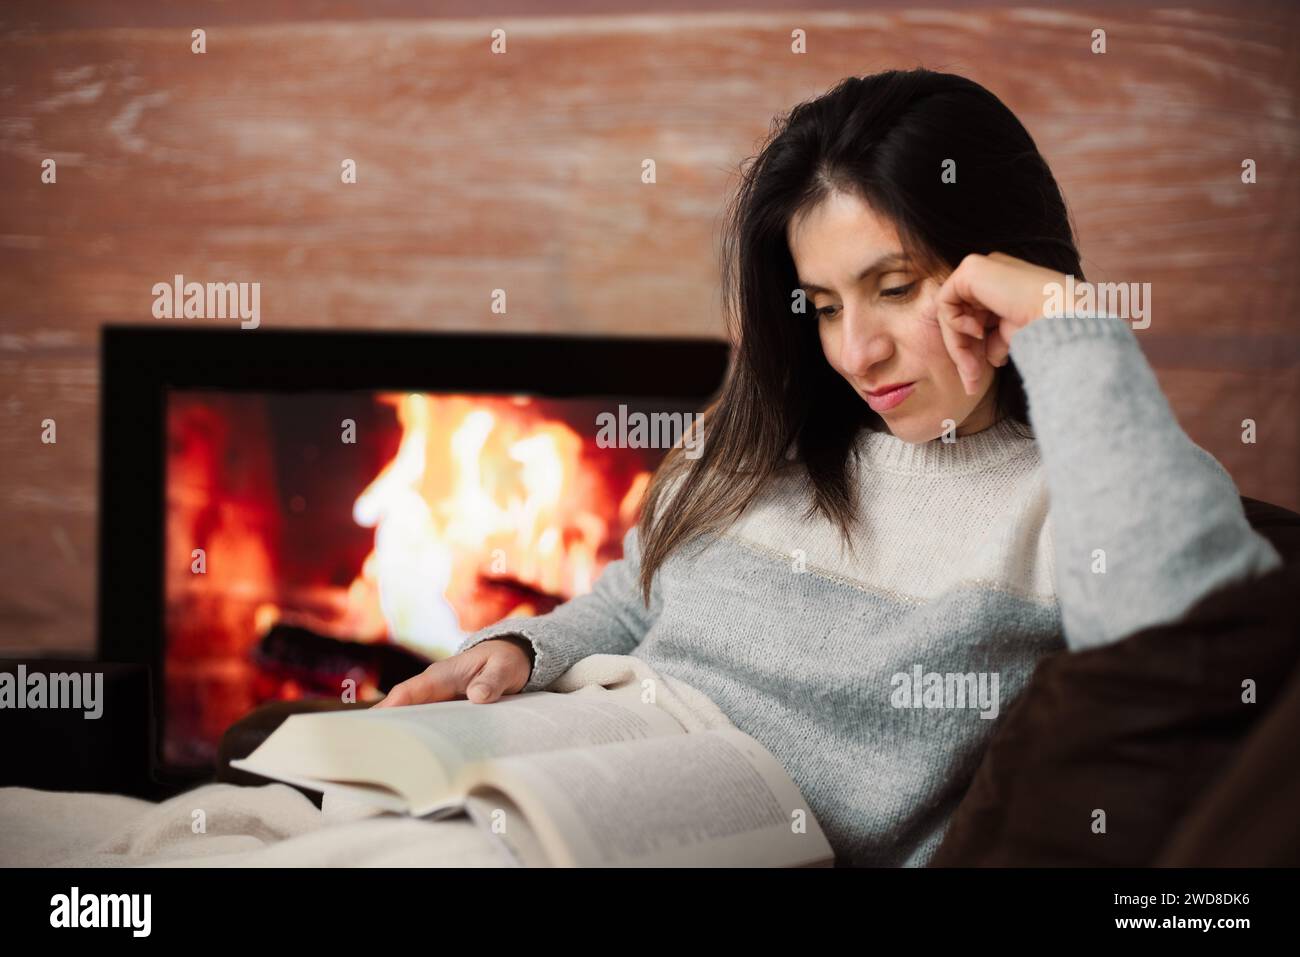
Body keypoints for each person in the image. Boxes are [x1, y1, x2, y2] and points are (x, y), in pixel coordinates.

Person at [375, 69, 1282, 866]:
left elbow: (1186, 652)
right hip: (564, 765)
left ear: (1000, 266)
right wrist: (524, 650)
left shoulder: (1076, 495)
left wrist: (1065, 324)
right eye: (823, 304)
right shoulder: (775, 435)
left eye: (896, 288)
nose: (856, 352)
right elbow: (637, 595)